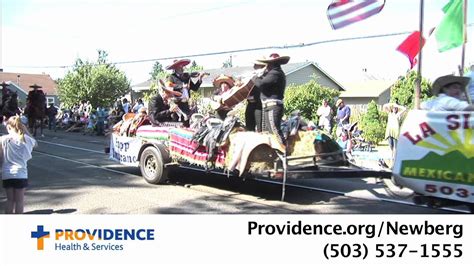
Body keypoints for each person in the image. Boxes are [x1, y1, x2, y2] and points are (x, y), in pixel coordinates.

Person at [1, 116, 37, 214]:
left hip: (7, 173)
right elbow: (35, 143)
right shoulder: (25, 139)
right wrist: (25, 131)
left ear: (9, 127)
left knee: (9, 200)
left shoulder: (3, 139)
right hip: (20, 173)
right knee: (19, 201)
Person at [253, 53, 290, 147]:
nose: (267, 66)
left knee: (275, 131)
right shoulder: (271, 73)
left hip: (273, 106)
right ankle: (275, 155)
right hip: (268, 106)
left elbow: (261, 84)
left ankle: (284, 153)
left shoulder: (276, 73)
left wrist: (254, 77)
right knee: (268, 133)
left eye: (269, 63)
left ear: (274, 64)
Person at [245, 61, 265, 132]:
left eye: (256, 65)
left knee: (260, 128)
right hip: (250, 104)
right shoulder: (252, 76)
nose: (254, 67)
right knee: (249, 127)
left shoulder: (264, 76)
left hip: (259, 105)